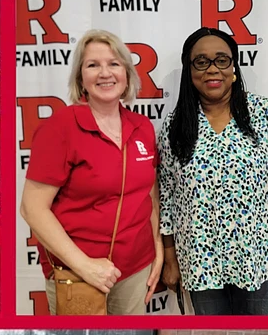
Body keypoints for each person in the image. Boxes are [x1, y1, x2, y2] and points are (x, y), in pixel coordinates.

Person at [20, 29, 163, 315]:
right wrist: (85, 266)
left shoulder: (142, 127)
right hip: (78, 274)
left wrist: (157, 247)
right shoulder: (60, 128)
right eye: (93, 65)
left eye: (114, 63)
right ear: (80, 77)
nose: (105, 73)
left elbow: (149, 192)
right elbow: (32, 209)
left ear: (127, 73)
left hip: (135, 270)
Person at [158, 27, 268, 315]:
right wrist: (170, 259)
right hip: (199, 260)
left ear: (233, 67)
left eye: (222, 60)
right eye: (201, 61)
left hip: (254, 258)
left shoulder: (264, 114)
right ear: (189, 70)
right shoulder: (175, 125)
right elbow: (167, 197)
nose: (212, 69)